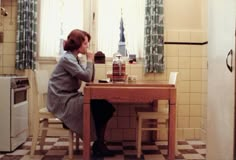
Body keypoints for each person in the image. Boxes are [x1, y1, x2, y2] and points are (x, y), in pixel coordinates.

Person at [47, 29, 115, 157]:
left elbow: (89, 77)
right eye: (85, 43)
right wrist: (89, 60)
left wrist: (91, 61)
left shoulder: (74, 58)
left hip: (69, 96)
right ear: (77, 44)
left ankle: (98, 144)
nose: (87, 46)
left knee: (105, 107)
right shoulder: (68, 59)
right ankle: (98, 144)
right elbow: (87, 77)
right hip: (61, 99)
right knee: (102, 107)